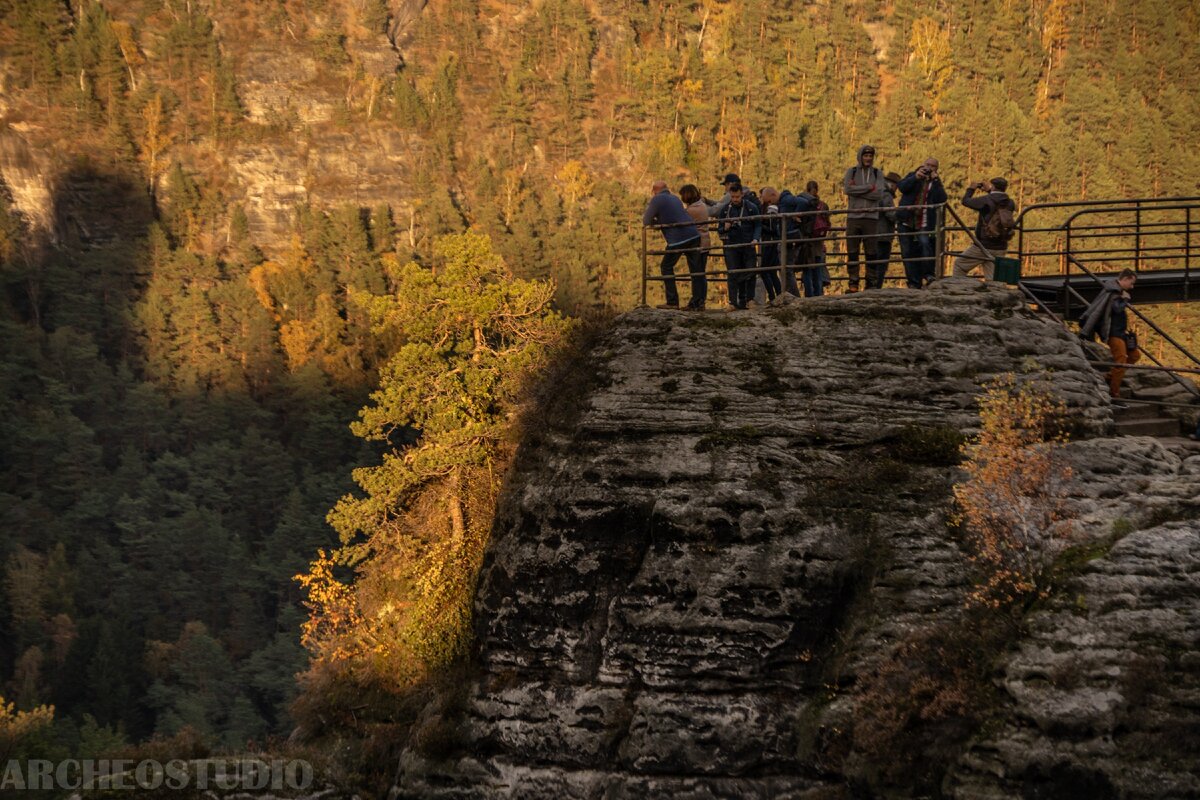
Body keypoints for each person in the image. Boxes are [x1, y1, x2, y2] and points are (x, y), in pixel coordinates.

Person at [642, 180, 706, 310]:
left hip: (678, 239)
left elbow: (646, 220)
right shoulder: (675, 198)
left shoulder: (657, 200)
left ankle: (672, 302)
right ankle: (697, 303)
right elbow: (673, 215)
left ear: (654, 191)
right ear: (667, 188)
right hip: (694, 235)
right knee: (696, 271)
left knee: (666, 267)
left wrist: (656, 221)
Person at [1079, 269, 1140, 401]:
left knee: (1135, 355)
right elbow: (1116, 309)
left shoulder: (1115, 291)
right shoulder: (1113, 292)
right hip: (1113, 333)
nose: (1132, 287)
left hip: (1121, 332)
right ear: (1125, 279)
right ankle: (1114, 393)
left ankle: (1110, 376)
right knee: (1121, 361)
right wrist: (1125, 299)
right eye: (1131, 283)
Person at [842, 145, 887, 293]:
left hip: (871, 217)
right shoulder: (852, 172)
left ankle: (871, 283)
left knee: (871, 252)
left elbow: (879, 194)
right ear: (860, 157)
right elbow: (847, 190)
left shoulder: (877, 173)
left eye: (870, 156)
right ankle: (853, 283)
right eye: (865, 156)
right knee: (853, 251)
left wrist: (858, 191)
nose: (868, 158)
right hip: (854, 217)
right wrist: (869, 187)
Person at [896, 158, 947, 288]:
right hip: (906, 220)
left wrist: (936, 181)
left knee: (926, 245)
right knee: (907, 252)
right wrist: (916, 177)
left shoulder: (935, 183)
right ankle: (913, 282)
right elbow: (901, 187)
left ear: (937, 169)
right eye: (927, 165)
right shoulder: (913, 175)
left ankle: (928, 274)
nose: (929, 168)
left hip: (924, 221)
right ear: (922, 165)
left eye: (933, 166)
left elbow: (942, 199)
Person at [953, 176, 1016, 280]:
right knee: (993, 278)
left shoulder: (986, 200)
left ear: (993, 186)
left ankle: (959, 289)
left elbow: (966, 201)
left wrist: (971, 189)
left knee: (960, 265)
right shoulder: (1010, 203)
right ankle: (996, 294)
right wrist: (990, 191)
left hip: (983, 246)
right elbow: (997, 200)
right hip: (1001, 246)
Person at [716, 183, 762, 310]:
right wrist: (724, 227)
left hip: (748, 244)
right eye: (732, 197)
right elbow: (719, 228)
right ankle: (732, 302)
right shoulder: (725, 209)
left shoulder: (751, 207)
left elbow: (758, 224)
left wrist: (755, 238)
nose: (735, 199)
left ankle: (749, 299)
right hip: (731, 245)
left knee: (750, 271)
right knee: (732, 273)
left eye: (737, 197)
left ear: (742, 194)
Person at [867, 172, 901, 290]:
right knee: (881, 264)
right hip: (883, 235)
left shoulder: (875, 193)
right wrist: (901, 215)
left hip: (873, 233)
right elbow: (891, 214)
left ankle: (871, 285)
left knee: (872, 262)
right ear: (892, 184)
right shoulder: (887, 195)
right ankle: (877, 286)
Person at [680, 183, 712, 289]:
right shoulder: (702, 205)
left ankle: (697, 300)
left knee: (696, 274)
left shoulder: (691, 210)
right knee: (700, 274)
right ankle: (700, 300)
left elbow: (681, 223)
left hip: (697, 245)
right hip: (705, 242)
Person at [757, 187, 783, 302]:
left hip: (770, 243)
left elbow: (773, 228)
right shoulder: (766, 208)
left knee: (765, 270)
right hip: (770, 242)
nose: (760, 198)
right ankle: (777, 296)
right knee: (771, 272)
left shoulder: (771, 209)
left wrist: (760, 225)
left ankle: (774, 296)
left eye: (761, 196)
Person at [808, 181, 833, 291]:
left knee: (808, 267)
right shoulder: (823, 205)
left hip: (809, 239)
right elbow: (827, 223)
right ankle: (819, 291)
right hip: (820, 239)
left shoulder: (806, 203)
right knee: (819, 265)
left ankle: (810, 292)